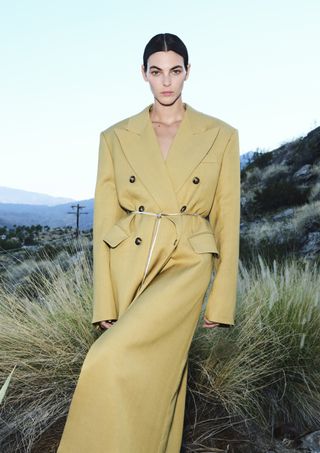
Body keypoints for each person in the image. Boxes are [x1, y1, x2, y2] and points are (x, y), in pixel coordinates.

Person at [57, 32, 240, 453]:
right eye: (157, 72)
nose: (167, 82)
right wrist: (105, 300)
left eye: (175, 71)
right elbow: (105, 219)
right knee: (157, 382)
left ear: (188, 72)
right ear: (144, 74)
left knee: (107, 360)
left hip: (187, 264)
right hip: (131, 262)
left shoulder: (221, 135)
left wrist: (222, 299)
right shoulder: (116, 136)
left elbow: (228, 219)